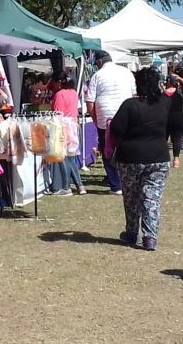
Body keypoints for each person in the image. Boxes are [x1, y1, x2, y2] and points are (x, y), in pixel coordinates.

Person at [109, 68, 172, 251]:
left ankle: (131, 233)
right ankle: (150, 236)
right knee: (152, 198)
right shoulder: (166, 103)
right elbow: (175, 126)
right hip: (159, 156)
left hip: (130, 157)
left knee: (131, 198)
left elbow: (116, 129)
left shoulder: (130, 105)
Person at [85, 50, 136, 194]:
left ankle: (116, 185)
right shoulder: (126, 72)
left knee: (107, 149)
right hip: (126, 116)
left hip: (104, 118)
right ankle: (127, 180)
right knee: (126, 149)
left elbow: (90, 102)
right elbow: (134, 95)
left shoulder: (97, 75)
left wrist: (95, 119)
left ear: (100, 62)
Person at [50, 72, 86, 195]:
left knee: (63, 158)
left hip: (63, 126)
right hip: (73, 125)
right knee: (71, 158)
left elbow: (57, 113)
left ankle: (66, 187)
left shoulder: (60, 94)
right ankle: (79, 185)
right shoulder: (74, 93)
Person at [164, 74, 183, 168]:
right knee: (177, 139)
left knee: (163, 139)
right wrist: (179, 77)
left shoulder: (163, 93)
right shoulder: (180, 91)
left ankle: (165, 158)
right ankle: (176, 160)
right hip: (178, 118)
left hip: (165, 118)